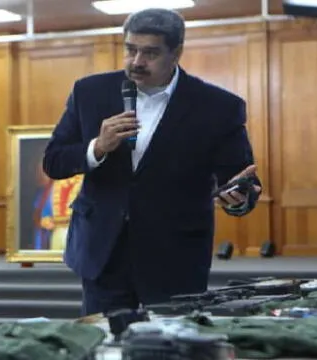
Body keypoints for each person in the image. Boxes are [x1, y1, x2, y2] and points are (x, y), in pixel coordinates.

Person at [42, 8, 262, 317]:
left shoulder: (219, 107)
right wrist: (97, 147)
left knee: (174, 344)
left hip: (175, 254)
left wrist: (238, 198)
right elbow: (54, 161)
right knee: (104, 343)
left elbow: (242, 181)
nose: (136, 61)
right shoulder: (89, 92)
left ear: (177, 52)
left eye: (150, 53)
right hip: (103, 250)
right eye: (130, 50)